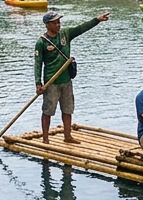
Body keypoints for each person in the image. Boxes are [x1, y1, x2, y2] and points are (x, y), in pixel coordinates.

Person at [34, 9, 110, 144]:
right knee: (48, 111)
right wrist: (38, 83)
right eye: (55, 23)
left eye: (59, 22)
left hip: (66, 80)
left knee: (68, 109)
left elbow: (81, 28)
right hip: (51, 82)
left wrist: (97, 20)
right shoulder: (42, 42)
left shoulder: (66, 34)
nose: (58, 25)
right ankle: (45, 139)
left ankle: (67, 136)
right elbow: (38, 64)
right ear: (47, 25)